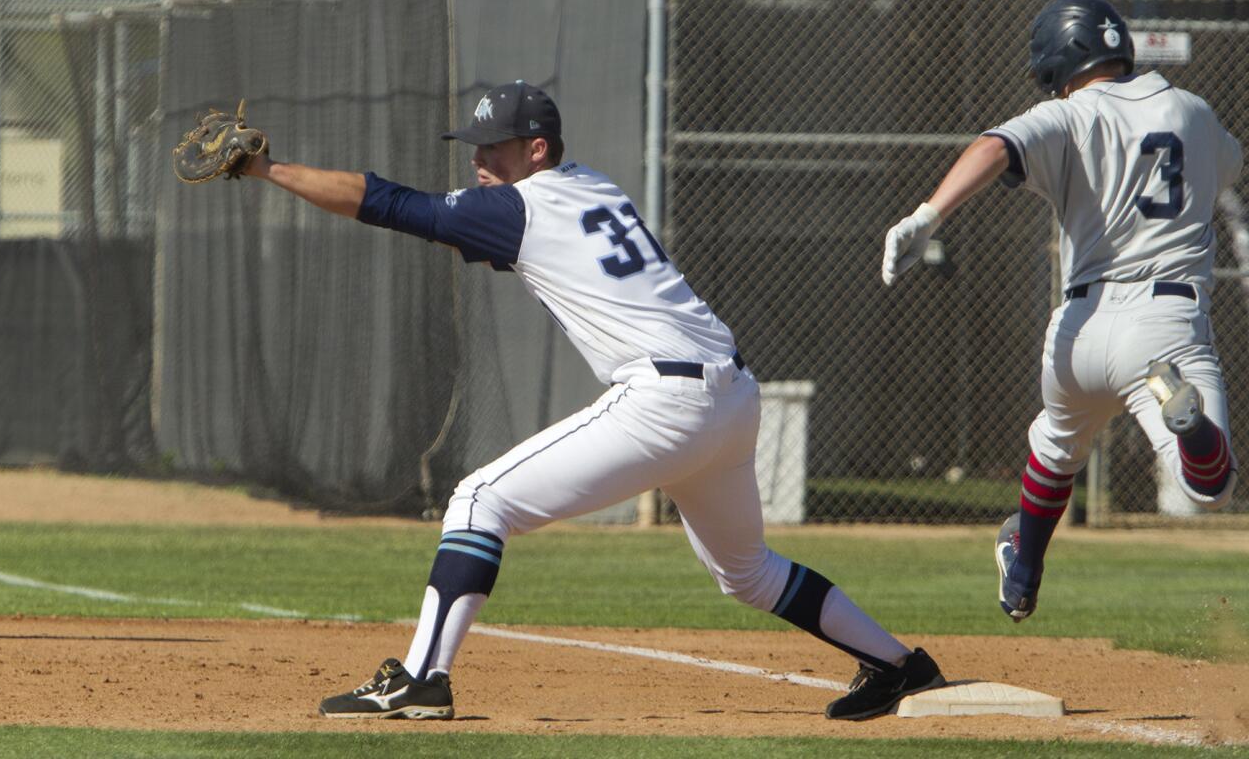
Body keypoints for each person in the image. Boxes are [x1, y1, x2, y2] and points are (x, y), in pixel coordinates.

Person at [236, 81, 945, 720]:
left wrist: (270, 169)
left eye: (495, 147)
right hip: (730, 393)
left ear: (536, 148)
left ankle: (421, 678)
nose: (479, 159)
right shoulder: (592, 186)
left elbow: (389, 204)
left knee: (480, 501)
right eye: (473, 147)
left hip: (666, 397)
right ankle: (901, 665)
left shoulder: (521, 203)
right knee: (749, 572)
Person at [881, 0, 1241, 622]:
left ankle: (1022, 571)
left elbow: (997, 146)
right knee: (1208, 487)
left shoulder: (1072, 113)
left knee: (1054, 448)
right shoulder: (1196, 112)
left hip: (1077, 332)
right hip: (1164, 332)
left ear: (1061, 63)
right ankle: (1192, 425)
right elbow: (1227, 169)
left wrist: (928, 214)